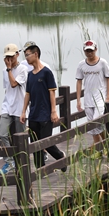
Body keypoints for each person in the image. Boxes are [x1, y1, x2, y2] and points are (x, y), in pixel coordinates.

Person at [20, 41, 67, 172]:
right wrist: (23, 112)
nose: (26, 58)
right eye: (25, 55)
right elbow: (27, 94)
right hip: (33, 114)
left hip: (45, 113)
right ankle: (40, 169)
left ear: (36, 54)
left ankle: (61, 157)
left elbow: (52, 92)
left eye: (28, 55)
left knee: (46, 141)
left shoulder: (47, 73)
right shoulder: (30, 75)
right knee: (35, 143)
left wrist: (53, 111)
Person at [76, 40, 109, 154]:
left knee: (96, 123)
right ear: (84, 51)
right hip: (88, 99)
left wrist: (107, 97)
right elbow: (79, 82)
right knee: (92, 127)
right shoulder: (81, 64)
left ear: (95, 49)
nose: (89, 53)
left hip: (100, 99)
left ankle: (99, 148)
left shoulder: (102, 63)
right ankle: (105, 147)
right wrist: (78, 100)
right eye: (87, 51)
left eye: (91, 50)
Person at [0, 44, 28, 175]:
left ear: (17, 55)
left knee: (20, 137)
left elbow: (14, 84)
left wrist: (9, 70)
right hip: (7, 107)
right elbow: (7, 88)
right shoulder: (4, 71)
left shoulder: (23, 69)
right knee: (2, 134)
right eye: (7, 57)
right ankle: (10, 161)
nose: (9, 59)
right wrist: (8, 70)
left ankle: (22, 163)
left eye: (11, 56)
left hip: (20, 107)